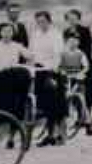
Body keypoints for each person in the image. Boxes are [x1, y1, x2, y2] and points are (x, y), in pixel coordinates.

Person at [28, 11, 67, 145]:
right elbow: (31, 53)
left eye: (43, 21)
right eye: (38, 22)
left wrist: (52, 69)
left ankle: (60, 134)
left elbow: (58, 54)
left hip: (53, 70)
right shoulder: (35, 35)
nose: (41, 24)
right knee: (44, 105)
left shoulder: (55, 34)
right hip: (39, 71)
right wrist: (30, 66)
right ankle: (50, 135)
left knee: (57, 103)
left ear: (49, 21)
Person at [58, 32, 92, 137]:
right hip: (66, 77)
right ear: (67, 42)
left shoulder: (80, 53)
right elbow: (59, 65)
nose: (73, 43)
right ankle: (62, 126)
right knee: (64, 99)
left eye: (76, 41)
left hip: (78, 78)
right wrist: (62, 71)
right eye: (71, 40)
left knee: (82, 101)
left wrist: (81, 72)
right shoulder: (63, 53)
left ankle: (89, 125)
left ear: (78, 42)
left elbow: (86, 66)